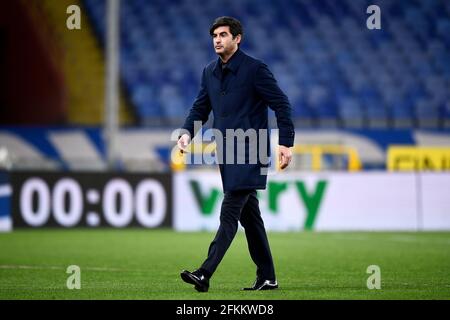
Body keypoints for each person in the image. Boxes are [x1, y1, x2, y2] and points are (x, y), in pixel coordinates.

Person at [178, 16, 295, 292]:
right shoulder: (209, 71)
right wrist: (186, 132)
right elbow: (200, 108)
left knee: (229, 213)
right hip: (227, 153)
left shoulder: (255, 69)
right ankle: (268, 276)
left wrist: (285, 143)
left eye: (222, 35)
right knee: (250, 218)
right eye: (214, 36)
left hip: (251, 151)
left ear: (237, 38)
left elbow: (281, 104)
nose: (217, 40)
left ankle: (205, 273)